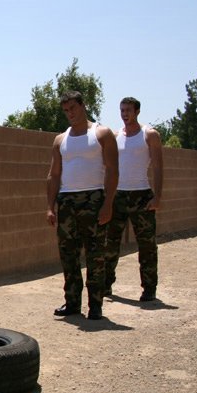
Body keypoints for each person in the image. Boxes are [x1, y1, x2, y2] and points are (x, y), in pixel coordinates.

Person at [46, 91, 118, 320]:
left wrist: (108, 204)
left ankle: (95, 304)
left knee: (95, 255)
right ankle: (72, 302)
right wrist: (50, 207)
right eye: (66, 110)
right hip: (67, 201)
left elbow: (113, 170)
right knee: (68, 255)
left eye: (73, 108)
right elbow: (54, 174)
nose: (70, 114)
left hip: (93, 199)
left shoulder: (101, 133)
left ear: (83, 105)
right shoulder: (60, 139)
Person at [104, 97, 163, 302]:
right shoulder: (115, 136)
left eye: (128, 110)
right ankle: (105, 285)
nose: (125, 114)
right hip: (118, 196)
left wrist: (157, 197)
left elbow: (158, 167)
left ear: (137, 111)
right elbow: (108, 167)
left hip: (141, 196)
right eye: (122, 110)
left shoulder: (150, 134)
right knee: (110, 243)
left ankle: (149, 288)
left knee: (147, 246)